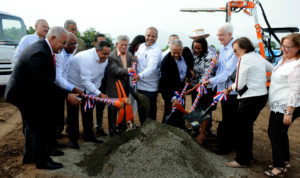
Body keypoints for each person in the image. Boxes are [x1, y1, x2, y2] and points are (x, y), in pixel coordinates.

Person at [4, 26, 81, 170]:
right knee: (38, 127)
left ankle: (29, 156)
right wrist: (66, 94)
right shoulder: (39, 52)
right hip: (23, 94)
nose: (64, 46)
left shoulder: (44, 48)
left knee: (32, 127)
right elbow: (44, 82)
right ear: (52, 38)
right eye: (63, 43)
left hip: (29, 92)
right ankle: (42, 161)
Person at [222, 37, 274, 168]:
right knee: (247, 127)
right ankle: (247, 156)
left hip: (250, 98)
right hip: (262, 96)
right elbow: (272, 68)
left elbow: (239, 84)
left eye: (236, 50)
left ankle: (242, 160)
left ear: (244, 48)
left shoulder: (243, 60)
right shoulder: (256, 56)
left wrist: (229, 88)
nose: (234, 53)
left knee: (242, 128)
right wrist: (262, 77)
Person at [264, 33, 300, 177]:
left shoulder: (297, 65)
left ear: (298, 47)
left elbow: (296, 90)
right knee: (280, 133)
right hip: (278, 102)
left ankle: (279, 166)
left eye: (287, 47)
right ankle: (284, 160)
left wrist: (289, 112)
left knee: (274, 133)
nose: (284, 49)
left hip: (286, 105)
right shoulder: (284, 59)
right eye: (282, 46)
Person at [203, 23, 239, 155]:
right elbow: (221, 69)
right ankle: (230, 144)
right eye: (218, 35)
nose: (219, 38)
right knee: (228, 118)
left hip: (231, 91)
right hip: (222, 89)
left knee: (229, 119)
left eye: (221, 35)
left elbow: (227, 73)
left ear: (229, 34)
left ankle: (225, 147)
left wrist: (209, 81)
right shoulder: (224, 48)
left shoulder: (234, 49)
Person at [67, 41, 111, 147]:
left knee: (88, 110)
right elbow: (85, 81)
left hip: (89, 86)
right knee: (73, 114)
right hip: (74, 85)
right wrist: (100, 94)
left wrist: (94, 92)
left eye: (108, 54)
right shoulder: (86, 58)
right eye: (104, 54)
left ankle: (89, 135)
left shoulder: (105, 60)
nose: (106, 57)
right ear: (96, 51)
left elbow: (99, 77)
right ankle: (73, 139)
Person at [184, 36, 217, 144]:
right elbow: (189, 65)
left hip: (206, 88)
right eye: (195, 48)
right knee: (195, 109)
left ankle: (203, 134)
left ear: (204, 47)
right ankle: (196, 129)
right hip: (194, 87)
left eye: (199, 48)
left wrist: (188, 91)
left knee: (205, 110)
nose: (197, 51)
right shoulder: (192, 54)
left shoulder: (210, 58)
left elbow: (204, 79)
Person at [55, 32, 83, 147]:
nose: (74, 47)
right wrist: (72, 88)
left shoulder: (70, 53)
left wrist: (72, 88)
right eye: (72, 44)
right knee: (56, 113)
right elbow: (58, 77)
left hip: (67, 85)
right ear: (65, 43)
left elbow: (67, 74)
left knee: (73, 111)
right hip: (56, 87)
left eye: (76, 45)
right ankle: (53, 140)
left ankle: (73, 139)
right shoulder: (59, 55)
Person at [160, 39, 193, 129]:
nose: (176, 55)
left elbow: (190, 59)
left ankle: (181, 127)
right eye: (173, 52)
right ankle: (167, 129)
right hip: (169, 90)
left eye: (178, 52)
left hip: (182, 87)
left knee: (181, 108)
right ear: (170, 49)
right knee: (171, 110)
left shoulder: (186, 52)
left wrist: (189, 71)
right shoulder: (165, 62)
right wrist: (173, 97)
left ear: (182, 49)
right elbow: (166, 83)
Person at [133, 27, 162, 124]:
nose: (150, 38)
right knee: (141, 111)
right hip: (139, 85)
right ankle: (143, 132)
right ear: (145, 36)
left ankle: (150, 135)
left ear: (157, 37)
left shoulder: (156, 51)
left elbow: (152, 68)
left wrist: (139, 76)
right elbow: (136, 57)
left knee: (149, 112)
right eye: (148, 35)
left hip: (150, 87)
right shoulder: (141, 46)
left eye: (153, 36)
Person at [106, 35, 135, 136]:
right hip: (114, 87)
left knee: (124, 107)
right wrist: (128, 70)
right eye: (122, 45)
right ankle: (113, 132)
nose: (124, 47)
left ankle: (122, 130)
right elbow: (114, 70)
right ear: (116, 44)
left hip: (125, 86)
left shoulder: (129, 54)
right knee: (113, 110)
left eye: (126, 45)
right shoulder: (111, 56)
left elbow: (133, 64)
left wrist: (135, 62)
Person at [93, 33, 108, 136]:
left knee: (100, 108)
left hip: (102, 86)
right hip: (89, 86)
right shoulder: (89, 57)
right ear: (95, 43)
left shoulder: (106, 56)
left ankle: (99, 127)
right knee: (88, 108)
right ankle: (88, 129)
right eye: (100, 42)